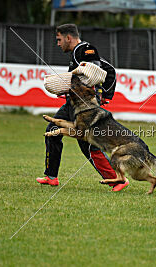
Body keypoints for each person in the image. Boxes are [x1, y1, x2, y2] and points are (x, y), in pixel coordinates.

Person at [36, 24, 129, 192]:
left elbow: (93, 72)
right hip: (73, 103)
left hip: (85, 106)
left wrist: (103, 96)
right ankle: (51, 177)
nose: (58, 44)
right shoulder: (77, 53)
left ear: (68, 38)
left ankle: (118, 180)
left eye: (59, 40)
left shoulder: (86, 49)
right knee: (52, 132)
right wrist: (68, 90)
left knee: (89, 145)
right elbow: (109, 70)